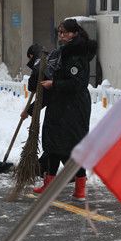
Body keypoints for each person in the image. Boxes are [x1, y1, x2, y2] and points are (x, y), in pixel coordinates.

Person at [22, 19, 98, 201]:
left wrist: (54, 84)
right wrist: (31, 110)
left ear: (75, 33)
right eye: (59, 32)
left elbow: (77, 83)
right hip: (58, 105)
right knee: (52, 145)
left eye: (65, 32)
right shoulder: (61, 53)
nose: (61, 35)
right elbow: (49, 89)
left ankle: (80, 189)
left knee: (73, 148)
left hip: (73, 108)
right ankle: (49, 185)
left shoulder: (77, 55)